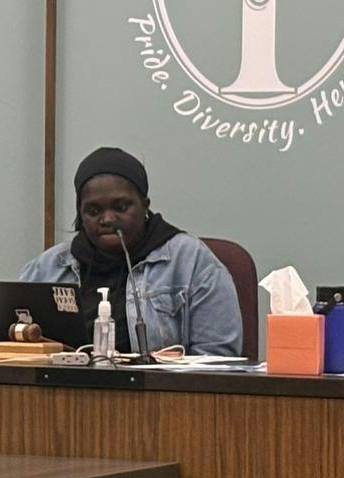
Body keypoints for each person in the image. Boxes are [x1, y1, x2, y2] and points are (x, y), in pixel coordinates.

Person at [20, 146, 242, 356]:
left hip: (161, 394)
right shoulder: (49, 267)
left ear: (145, 205)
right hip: (63, 393)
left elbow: (217, 357)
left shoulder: (191, 260)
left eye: (121, 207)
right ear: (80, 214)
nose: (107, 219)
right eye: (94, 210)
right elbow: (15, 345)